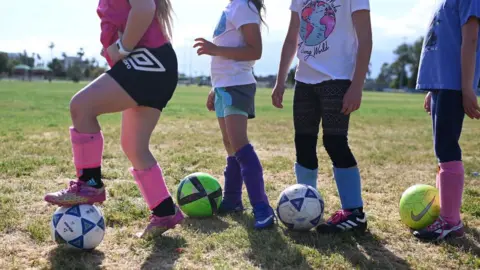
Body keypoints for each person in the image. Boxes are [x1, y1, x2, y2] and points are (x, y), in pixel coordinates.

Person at [44, 0, 183, 237]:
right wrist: (115, 45)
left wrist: (121, 47)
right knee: (134, 147)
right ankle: (164, 211)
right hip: (155, 63)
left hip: (150, 62)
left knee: (82, 106)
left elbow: (145, 8)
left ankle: (90, 184)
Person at [271, 0, 372, 234]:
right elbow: (291, 38)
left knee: (335, 142)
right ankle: (304, 210)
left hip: (338, 79)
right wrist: (280, 80)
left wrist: (357, 85)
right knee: (303, 143)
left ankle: (354, 213)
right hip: (304, 80)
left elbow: (365, 39)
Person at [193, 0, 275, 229]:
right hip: (224, 86)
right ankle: (232, 200)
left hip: (237, 85)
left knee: (239, 144)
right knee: (229, 144)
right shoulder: (232, 7)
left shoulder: (243, 5)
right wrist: (215, 88)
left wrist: (214, 49)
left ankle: (262, 208)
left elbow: (254, 51)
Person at [413, 0, 480, 241]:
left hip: (454, 86)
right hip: (443, 85)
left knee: (447, 147)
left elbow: (470, 39)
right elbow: (444, 44)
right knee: (442, 149)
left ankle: (451, 222)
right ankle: (447, 213)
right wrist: (433, 88)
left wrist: (466, 88)